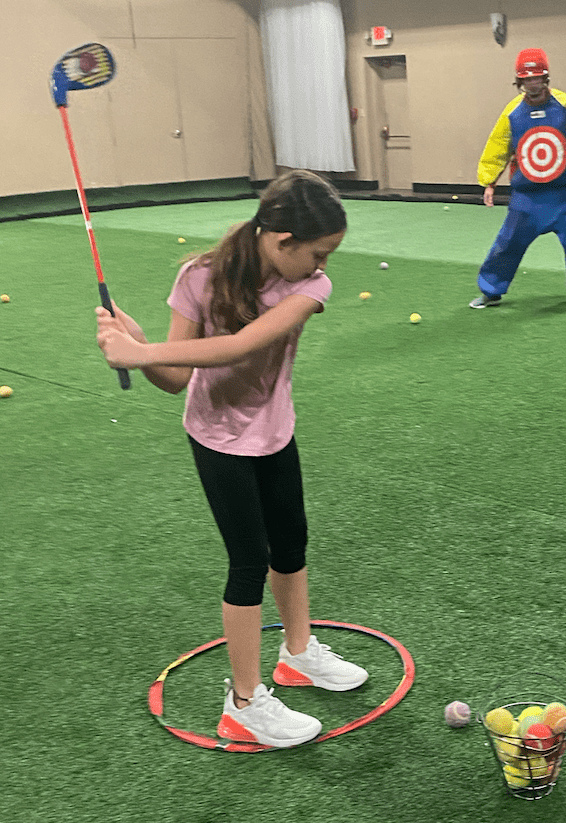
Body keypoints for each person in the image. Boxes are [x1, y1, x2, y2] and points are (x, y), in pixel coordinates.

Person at [94, 169, 368, 749]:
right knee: (249, 562)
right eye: (318, 253)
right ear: (282, 240)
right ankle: (243, 704)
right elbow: (175, 378)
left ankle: (298, 655)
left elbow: (240, 346)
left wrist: (141, 352)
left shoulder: (309, 289)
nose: (323, 266)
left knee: (291, 544)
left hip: (275, 432)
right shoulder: (199, 277)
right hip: (217, 440)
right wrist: (139, 349)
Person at [470, 47, 566, 309]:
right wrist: (489, 182)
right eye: (526, 79)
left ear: (545, 78)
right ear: (519, 81)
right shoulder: (512, 112)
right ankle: (491, 291)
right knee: (507, 244)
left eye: (536, 78)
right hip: (527, 199)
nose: (532, 84)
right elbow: (498, 146)